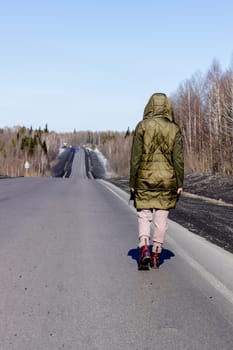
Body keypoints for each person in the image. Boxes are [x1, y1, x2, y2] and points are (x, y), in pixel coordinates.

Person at [130, 92, 184, 269]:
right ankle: (156, 254)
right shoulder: (174, 129)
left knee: (144, 216)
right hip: (167, 180)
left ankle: (144, 247)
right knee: (161, 218)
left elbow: (135, 157)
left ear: (150, 106)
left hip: (144, 179)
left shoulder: (142, 126)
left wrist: (132, 182)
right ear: (167, 107)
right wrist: (179, 182)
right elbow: (178, 159)